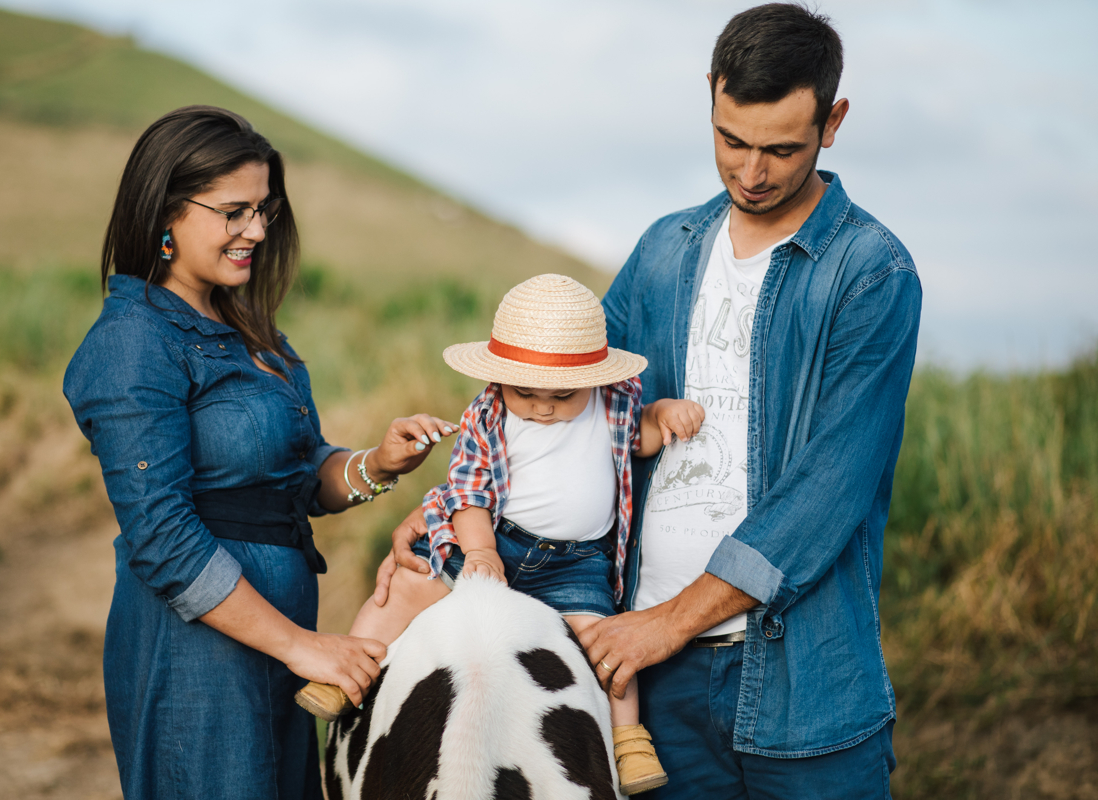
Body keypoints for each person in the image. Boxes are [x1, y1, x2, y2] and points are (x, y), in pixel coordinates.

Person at [380, 4, 920, 798]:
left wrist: (665, 625)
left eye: (781, 148)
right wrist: (452, 510)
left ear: (833, 121)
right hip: (643, 680)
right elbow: (559, 406)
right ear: (710, 94)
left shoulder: (871, 274)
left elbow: (826, 494)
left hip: (802, 687)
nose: (751, 171)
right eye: (731, 140)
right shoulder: (663, 251)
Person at [63, 105, 457, 799]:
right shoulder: (134, 341)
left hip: (275, 642)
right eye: (235, 211)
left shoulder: (250, 330)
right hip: (196, 654)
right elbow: (161, 535)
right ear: (165, 212)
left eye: (266, 210)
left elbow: (298, 480)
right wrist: (304, 647)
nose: (257, 231)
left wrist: (374, 464)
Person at [301, 273, 705, 795]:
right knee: (402, 589)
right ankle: (347, 669)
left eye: (562, 394)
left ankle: (627, 739)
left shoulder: (614, 404)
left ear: (592, 379)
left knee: (609, 644)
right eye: (526, 392)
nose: (542, 406)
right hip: (496, 537)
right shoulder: (488, 413)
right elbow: (468, 492)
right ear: (500, 378)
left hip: (575, 563)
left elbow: (643, 437)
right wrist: (480, 550)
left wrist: (664, 414)